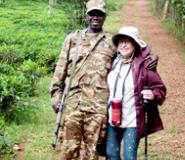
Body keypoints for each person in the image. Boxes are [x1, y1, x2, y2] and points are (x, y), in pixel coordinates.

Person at [49, 0, 158, 159]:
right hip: (73, 103)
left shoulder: (111, 41)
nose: (95, 17)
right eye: (92, 13)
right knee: (68, 149)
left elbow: (133, 52)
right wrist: (55, 96)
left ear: (104, 16)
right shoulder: (73, 39)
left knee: (91, 150)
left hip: (98, 107)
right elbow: (60, 69)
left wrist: (152, 57)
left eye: (99, 14)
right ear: (87, 15)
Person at [106, 26, 167, 160]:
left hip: (132, 120)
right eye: (121, 41)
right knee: (111, 154)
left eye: (128, 41)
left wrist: (153, 95)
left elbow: (160, 90)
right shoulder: (112, 62)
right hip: (112, 119)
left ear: (135, 44)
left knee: (129, 157)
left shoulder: (144, 66)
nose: (124, 44)